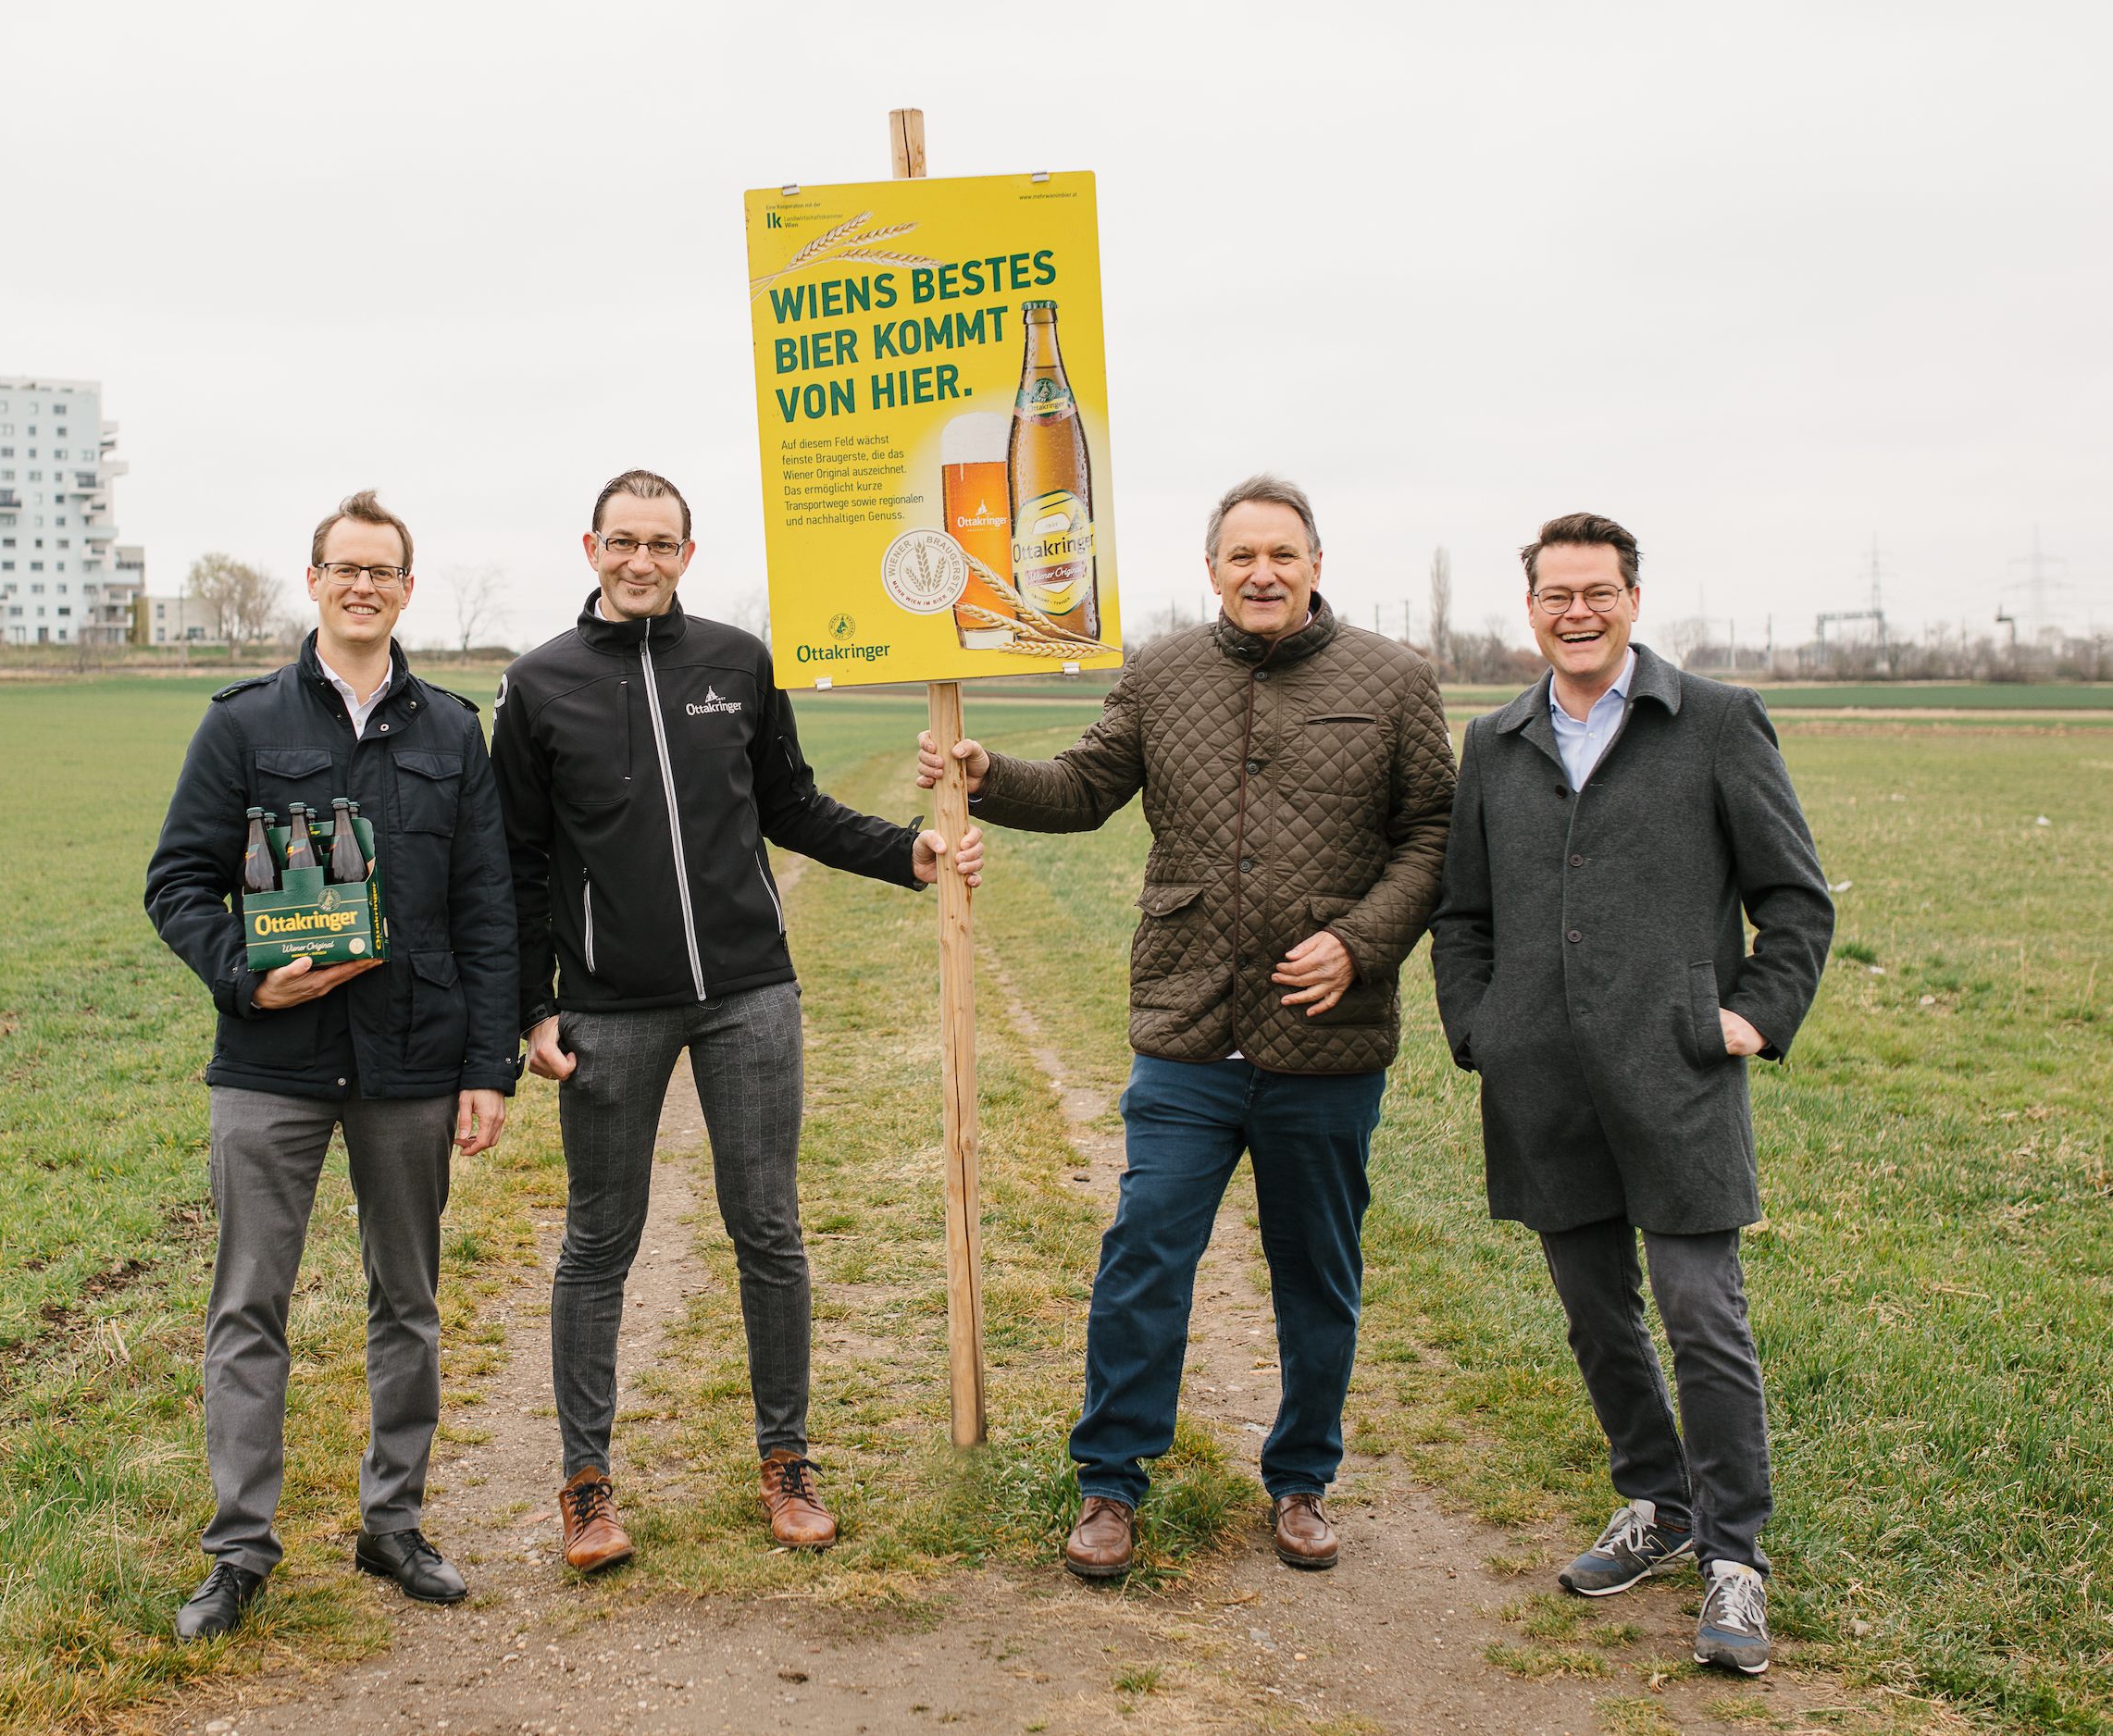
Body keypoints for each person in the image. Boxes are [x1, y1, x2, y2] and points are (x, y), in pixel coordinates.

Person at [917, 474, 1455, 1579]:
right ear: (1210, 570)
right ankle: (1109, 1486)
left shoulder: (1395, 680)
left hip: (1325, 1036)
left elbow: (1435, 833)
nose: (1262, 573)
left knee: (1317, 1269)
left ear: (1315, 564)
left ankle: (1302, 1479)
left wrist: (1361, 941)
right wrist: (986, 773)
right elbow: (1082, 785)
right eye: (1240, 556)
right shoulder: (1161, 673)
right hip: (1187, 1025)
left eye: (1282, 555)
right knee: (1143, 1257)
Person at [491, 468, 984, 1571]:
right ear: (589, 548)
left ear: (687, 553)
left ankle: (786, 1460)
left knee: (767, 1229)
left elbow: (790, 804)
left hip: (749, 996)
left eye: (662, 543)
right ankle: (585, 1482)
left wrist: (906, 852)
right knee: (596, 1244)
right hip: (609, 1009)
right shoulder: (538, 686)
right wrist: (532, 1007)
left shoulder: (737, 662)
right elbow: (517, 864)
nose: (641, 561)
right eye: (622, 542)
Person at [1429, 512, 1833, 1675]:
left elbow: (1794, 900)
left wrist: (1751, 1014)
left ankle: (1733, 1557)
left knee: (1700, 1314)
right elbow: (1463, 915)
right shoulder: (1494, 741)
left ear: (1631, 599)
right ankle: (1654, 1506)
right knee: (1597, 1314)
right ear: (1530, 610)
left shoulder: (1711, 722)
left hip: (1677, 1077)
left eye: (1596, 591)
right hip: (1541, 1085)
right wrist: (1481, 1029)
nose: (1576, 612)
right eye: (1555, 594)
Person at [146, 490, 519, 1639]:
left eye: (384, 570)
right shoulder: (244, 726)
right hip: (269, 1064)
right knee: (247, 1305)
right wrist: (249, 977)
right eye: (343, 567)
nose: (364, 586)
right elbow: (176, 884)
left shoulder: (454, 733)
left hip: (411, 1065)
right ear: (312, 580)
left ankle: (392, 1524)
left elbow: (487, 909)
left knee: (405, 1303)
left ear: (406, 588)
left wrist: (486, 1067)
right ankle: (238, 1549)